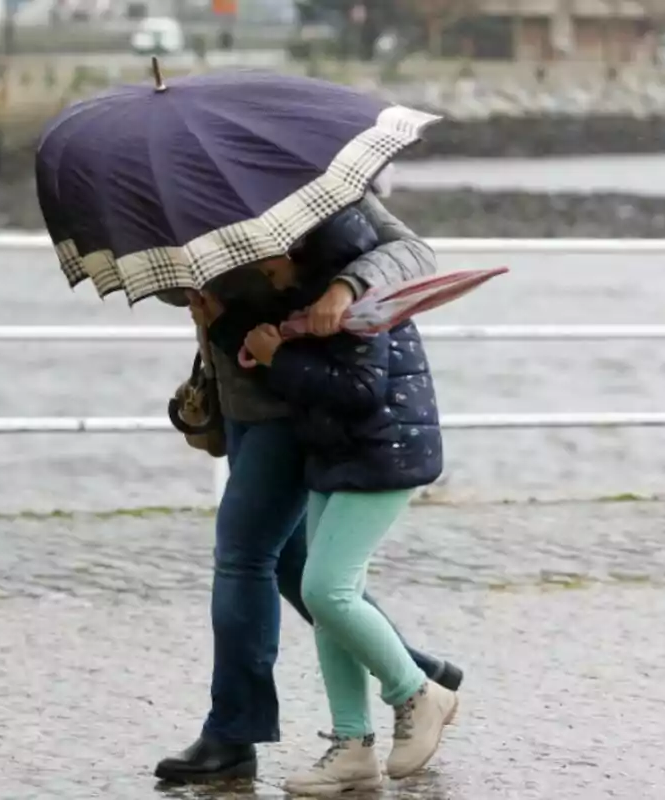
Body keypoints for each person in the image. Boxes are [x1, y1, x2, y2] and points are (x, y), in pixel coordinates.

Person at [154, 194, 464, 784]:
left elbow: (409, 252)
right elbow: (175, 283)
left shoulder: (313, 183)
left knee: (247, 556)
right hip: (244, 393)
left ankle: (233, 733)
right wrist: (192, 285)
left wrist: (342, 288)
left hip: (297, 399)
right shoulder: (185, 182)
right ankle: (393, 694)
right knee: (302, 568)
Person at [231, 212, 455, 794]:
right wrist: (257, 340)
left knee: (323, 590)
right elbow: (318, 374)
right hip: (336, 456)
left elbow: (360, 390)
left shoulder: (353, 296)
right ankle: (351, 745)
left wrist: (280, 356)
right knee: (333, 598)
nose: (262, 271)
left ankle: (416, 692)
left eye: (267, 259)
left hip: (383, 455)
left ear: (300, 248)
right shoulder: (312, 294)